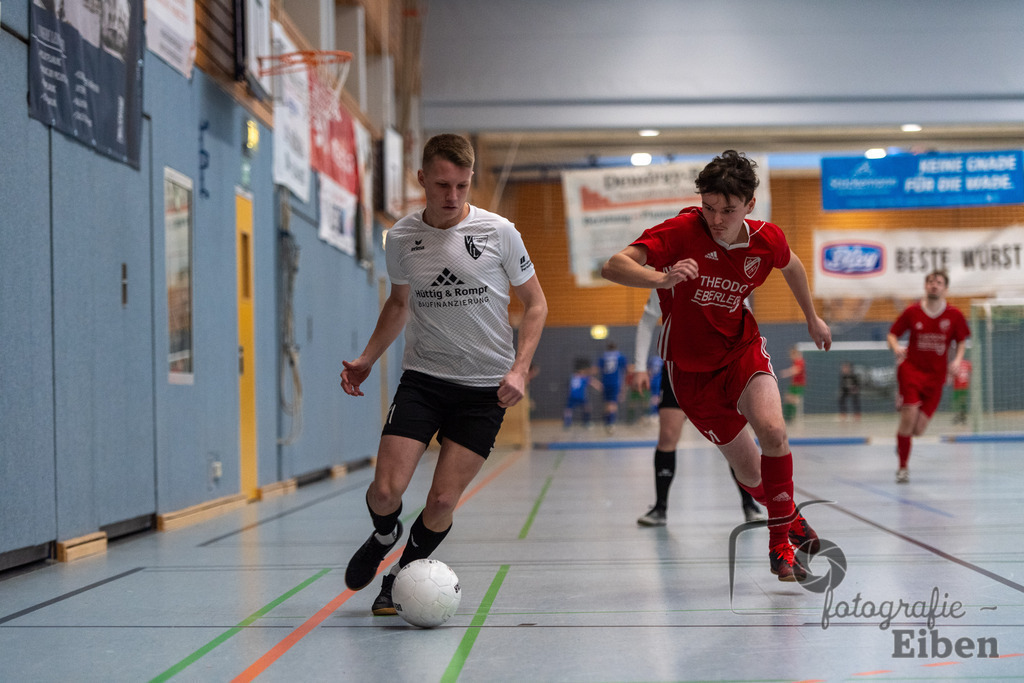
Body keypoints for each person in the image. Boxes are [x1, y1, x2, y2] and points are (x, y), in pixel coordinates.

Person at [340, 134, 548, 614]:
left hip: (485, 391)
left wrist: (519, 369)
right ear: (421, 180)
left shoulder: (500, 232)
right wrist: (368, 358)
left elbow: (536, 304)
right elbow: (398, 303)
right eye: (441, 185)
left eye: (461, 185)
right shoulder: (402, 237)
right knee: (386, 490)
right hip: (424, 380)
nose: (452, 196)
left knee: (440, 502)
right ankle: (384, 532)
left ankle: (396, 577)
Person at [601, 150, 831, 582]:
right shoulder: (681, 231)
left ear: (749, 206)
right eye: (709, 207)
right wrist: (660, 278)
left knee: (774, 431)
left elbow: (793, 264)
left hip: (741, 349)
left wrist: (811, 317)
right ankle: (792, 520)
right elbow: (613, 265)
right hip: (691, 374)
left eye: (728, 210)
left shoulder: (766, 239)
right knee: (750, 474)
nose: (716, 218)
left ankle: (779, 545)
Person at [632, 290, 766, 526]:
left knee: (734, 437)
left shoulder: (727, 272)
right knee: (668, 436)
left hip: (718, 369)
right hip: (678, 368)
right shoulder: (669, 274)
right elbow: (647, 319)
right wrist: (640, 366)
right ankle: (660, 508)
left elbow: (747, 315)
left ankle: (749, 504)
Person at [887, 269, 969, 483]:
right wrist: (895, 347)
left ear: (945, 288)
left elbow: (961, 340)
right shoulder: (912, 312)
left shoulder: (954, 315)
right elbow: (892, 334)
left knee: (919, 429)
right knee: (908, 418)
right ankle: (902, 468)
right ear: (925, 286)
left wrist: (958, 360)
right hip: (911, 371)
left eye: (939, 282)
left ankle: (902, 441)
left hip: (936, 377)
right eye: (931, 281)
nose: (934, 285)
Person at [597, 341, 628, 433]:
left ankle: (607, 422)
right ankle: (611, 423)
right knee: (613, 404)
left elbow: (597, 369)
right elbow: (625, 370)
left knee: (607, 404)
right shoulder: (620, 357)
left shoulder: (603, 357)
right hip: (615, 383)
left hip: (605, 383)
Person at [564, 357, 600, 428]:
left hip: (572, 395)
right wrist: (600, 387)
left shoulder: (573, 376)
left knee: (568, 409)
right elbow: (594, 383)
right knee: (587, 408)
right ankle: (586, 422)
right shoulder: (584, 377)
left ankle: (567, 423)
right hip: (581, 396)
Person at [779, 346, 806, 422]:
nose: (790, 357)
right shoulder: (795, 362)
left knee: (792, 399)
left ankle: (790, 417)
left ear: (795, 354)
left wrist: (786, 373)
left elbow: (796, 370)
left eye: (791, 355)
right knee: (787, 398)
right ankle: (787, 416)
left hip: (798, 385)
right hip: (793, 384)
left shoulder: (800, 361)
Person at [951, 358, 972, 424]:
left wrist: (969, 383)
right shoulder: (955, 363)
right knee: (957, 402)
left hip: (963, 386)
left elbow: (969, 374)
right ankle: (957, 417)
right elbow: (952, 374)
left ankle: (962, 417)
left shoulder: (967, 363)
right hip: (957, 386)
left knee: (962, 402)